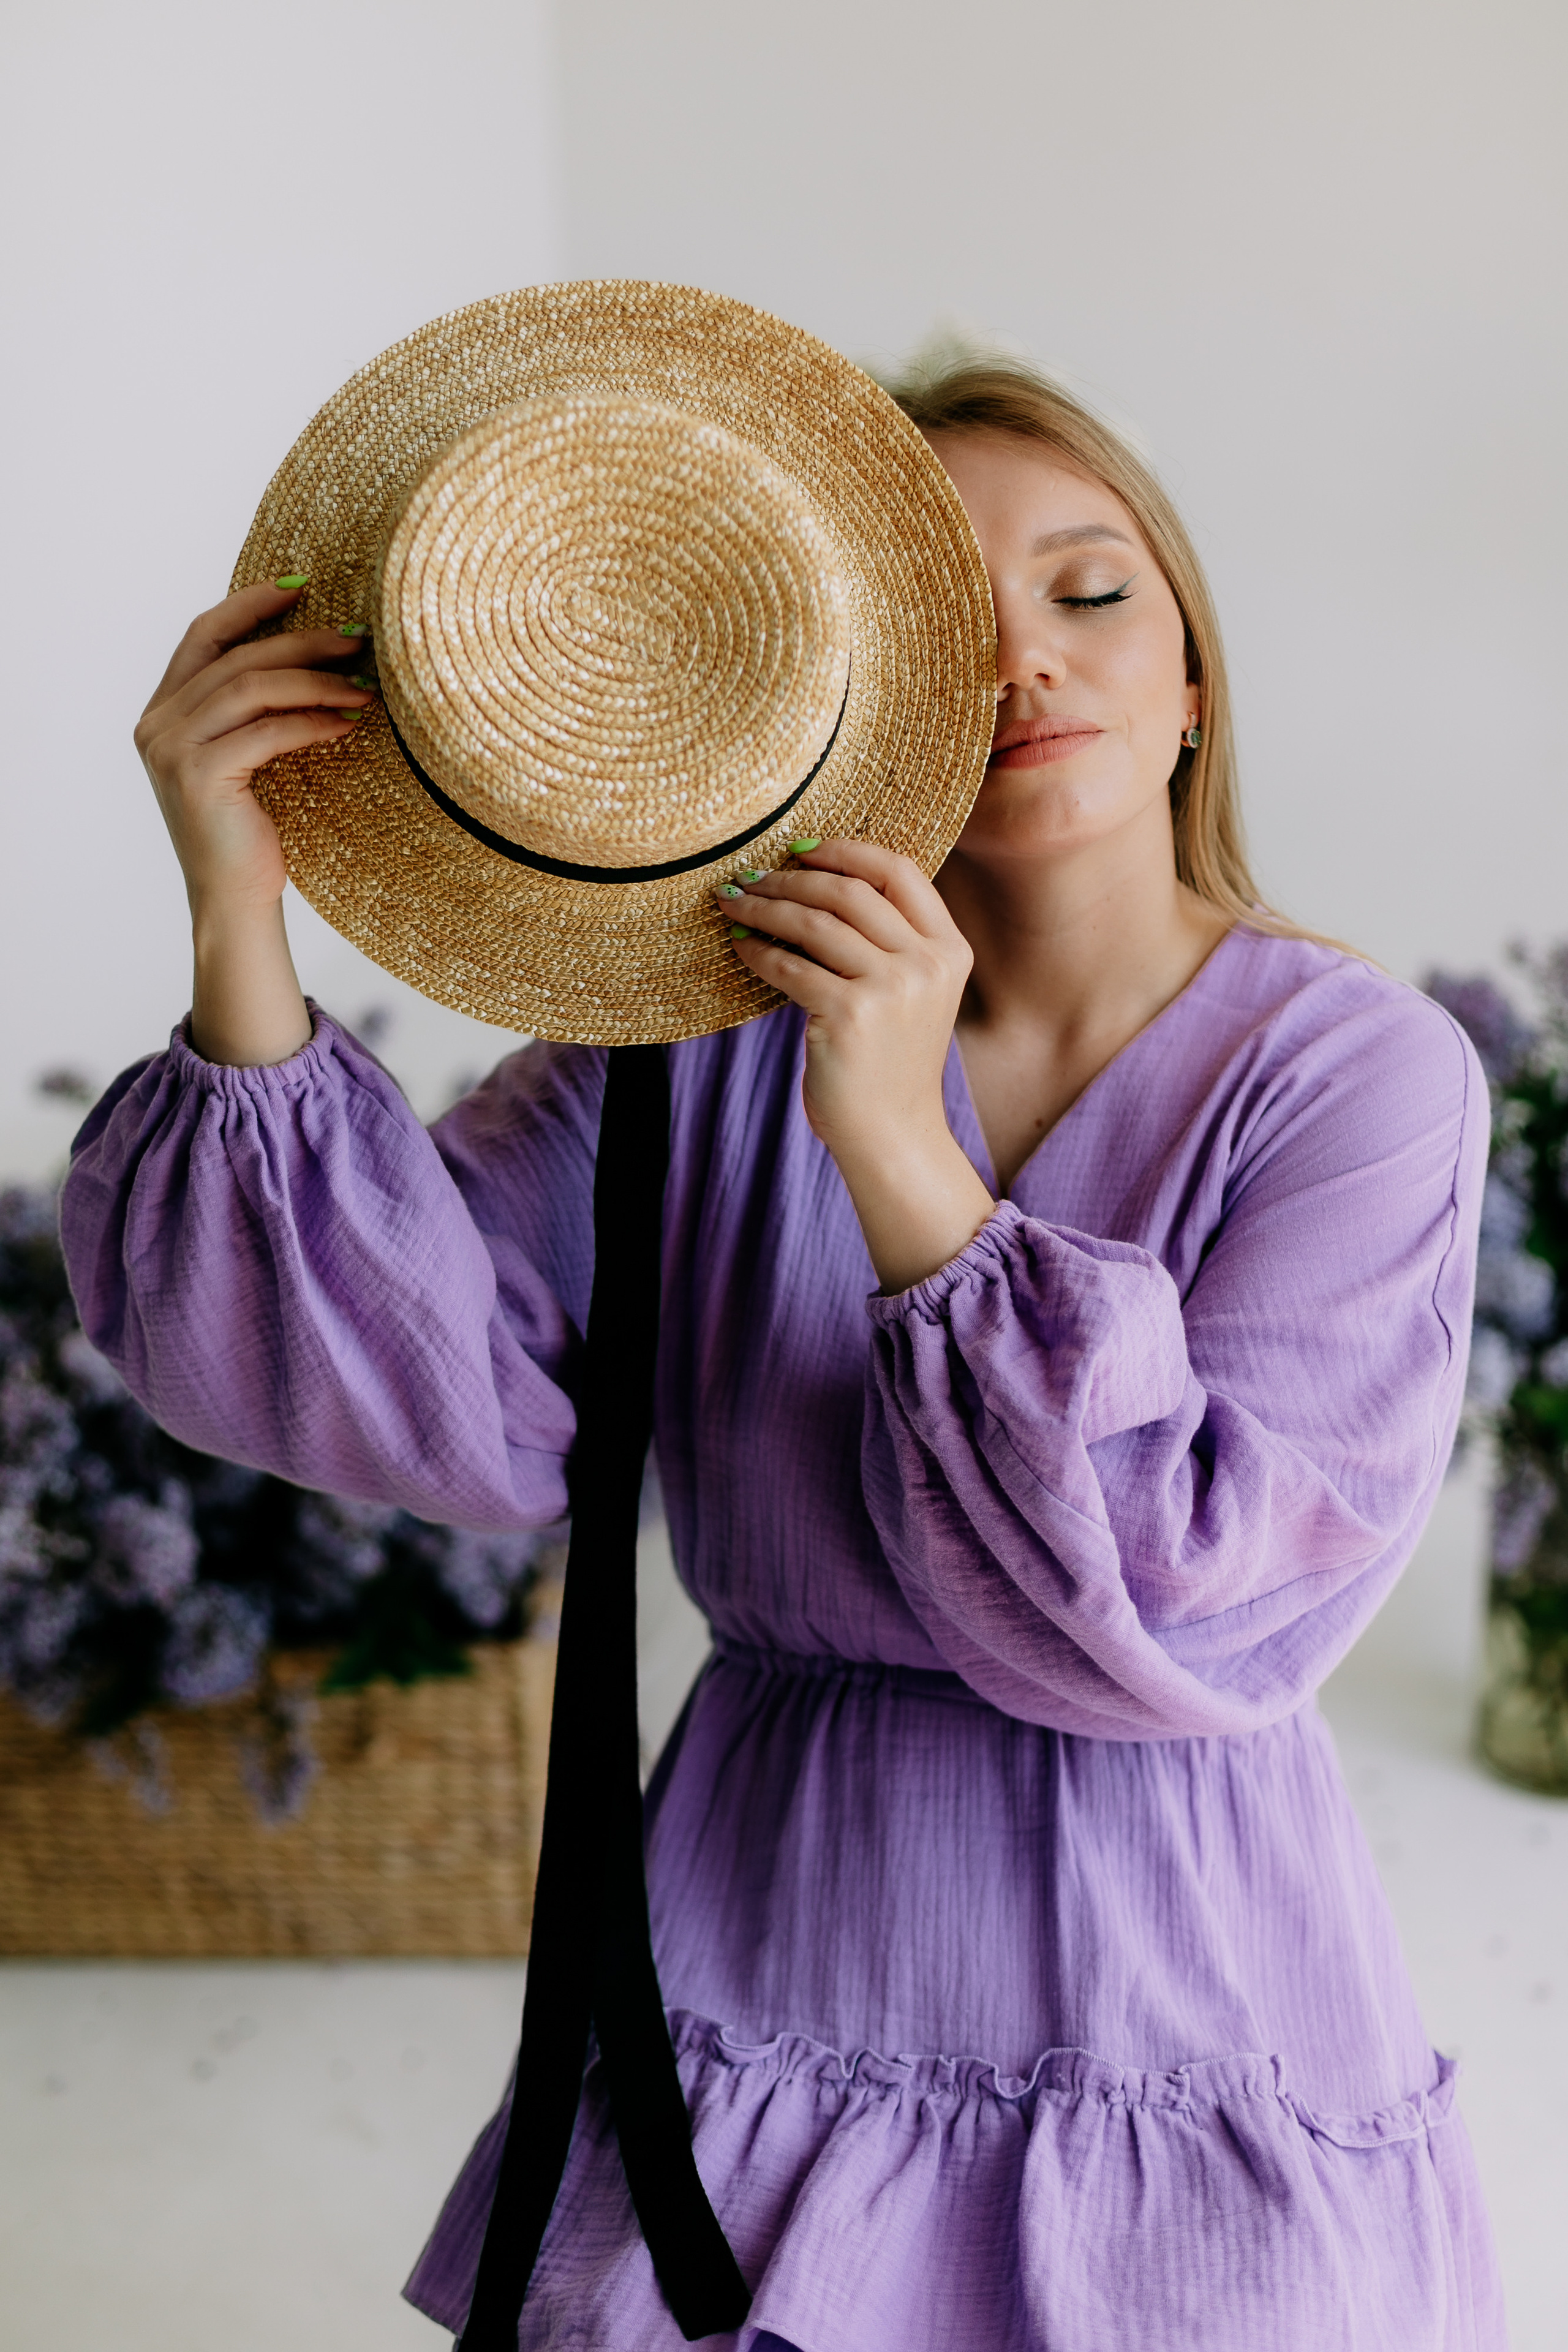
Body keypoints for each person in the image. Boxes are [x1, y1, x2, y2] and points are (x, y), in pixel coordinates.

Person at [62, 357, 1503, 2351]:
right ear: (847, 690)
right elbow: (421, 1392)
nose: (1024, 665)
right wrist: (240, 915)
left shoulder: (1360, 1075)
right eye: (939, 624)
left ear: (1192, 680)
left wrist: (903, 1152)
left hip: (1168, 1945)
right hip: (766, 1906)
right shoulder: (684, 1044)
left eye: (1091, 595)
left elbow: (1204, 1589)